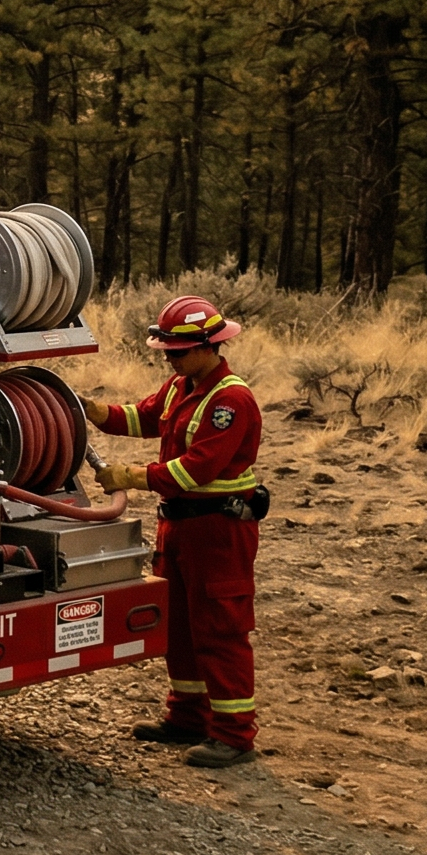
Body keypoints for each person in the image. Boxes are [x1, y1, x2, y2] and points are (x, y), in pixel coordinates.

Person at [82, 294, 266, 769]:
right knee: (181, 627)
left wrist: (129, 477)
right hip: (180, 526)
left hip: (217, 530)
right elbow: (144, 417)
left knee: (221, 630)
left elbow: (198, 469)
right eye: (166, 352)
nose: (170, 358)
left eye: (178, 351)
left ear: (210, 346)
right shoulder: (182, 386)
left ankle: (233, 736)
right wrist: (97, 411)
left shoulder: (230, 400)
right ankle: (187, 717)